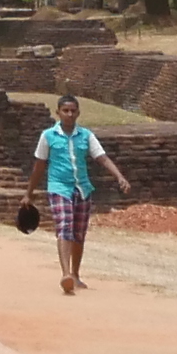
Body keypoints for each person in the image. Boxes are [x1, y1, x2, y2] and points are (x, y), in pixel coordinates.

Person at [35, 91, 124, 294]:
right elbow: (39, 165)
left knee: (79, 233)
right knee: (64, 226)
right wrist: (29, 192)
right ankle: (66, 273)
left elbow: (101, 157)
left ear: (78, 113)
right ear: (58, 112)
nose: (69, 114)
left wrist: (119, 176)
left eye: (73, 111)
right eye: (65, 110)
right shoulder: (48, 136)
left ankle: (75, 274)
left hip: (82, 188)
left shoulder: (86, 136)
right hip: (59, 187)